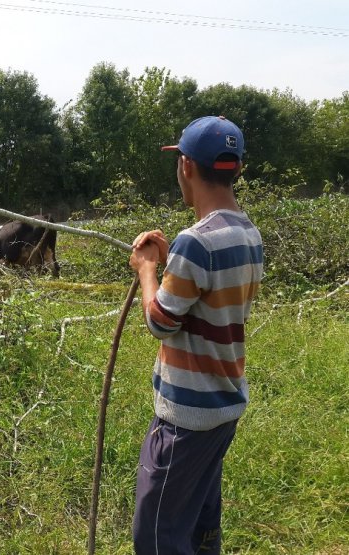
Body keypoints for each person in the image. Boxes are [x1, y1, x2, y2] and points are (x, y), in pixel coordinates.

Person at [128, 116, 263, 554]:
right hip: (223, 405)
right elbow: (206, 303)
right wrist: (171, 266)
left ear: (185, 166)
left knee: (156, 535)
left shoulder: (196, 241)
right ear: (235, 169)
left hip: (186, 415)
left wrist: (148, 270)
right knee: (202, 524)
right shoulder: (247, 233)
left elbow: (160, 321)